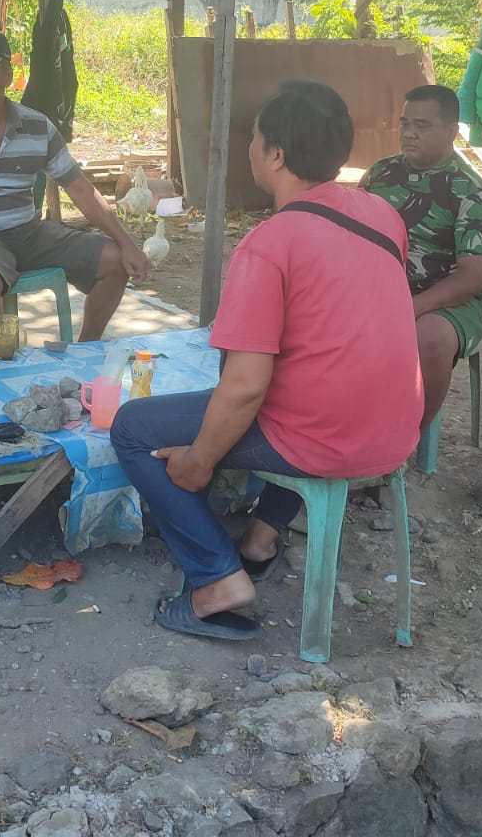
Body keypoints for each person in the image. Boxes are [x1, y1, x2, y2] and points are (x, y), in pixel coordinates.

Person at [110, 81, 422, 642]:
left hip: (325, 438)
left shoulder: (270, 243)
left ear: (275, 154)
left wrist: (199, 461)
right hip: (396, 429)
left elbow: (246, 387)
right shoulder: (382, 214)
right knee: (311, 392)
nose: (250, 149)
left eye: (254, 139)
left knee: (133, 426)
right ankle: (260, 537)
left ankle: (216, 580)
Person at [0, 28, 151, 346]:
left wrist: (127, 242)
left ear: (7, 75)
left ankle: (86, 349)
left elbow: (80, 189)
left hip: (30, 234)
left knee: (115, 260)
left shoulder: (37, 127)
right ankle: (5, 358)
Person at [362, 85, 482, 431]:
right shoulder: (381, 174)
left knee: (431, 337)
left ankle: (407, 435)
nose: (409, 133)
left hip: (447, 299)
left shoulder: (468, 189)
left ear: (451, 131)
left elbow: (474, 276)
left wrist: (412, 306)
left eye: (421, 126)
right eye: (404, 123)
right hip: (380, 287)